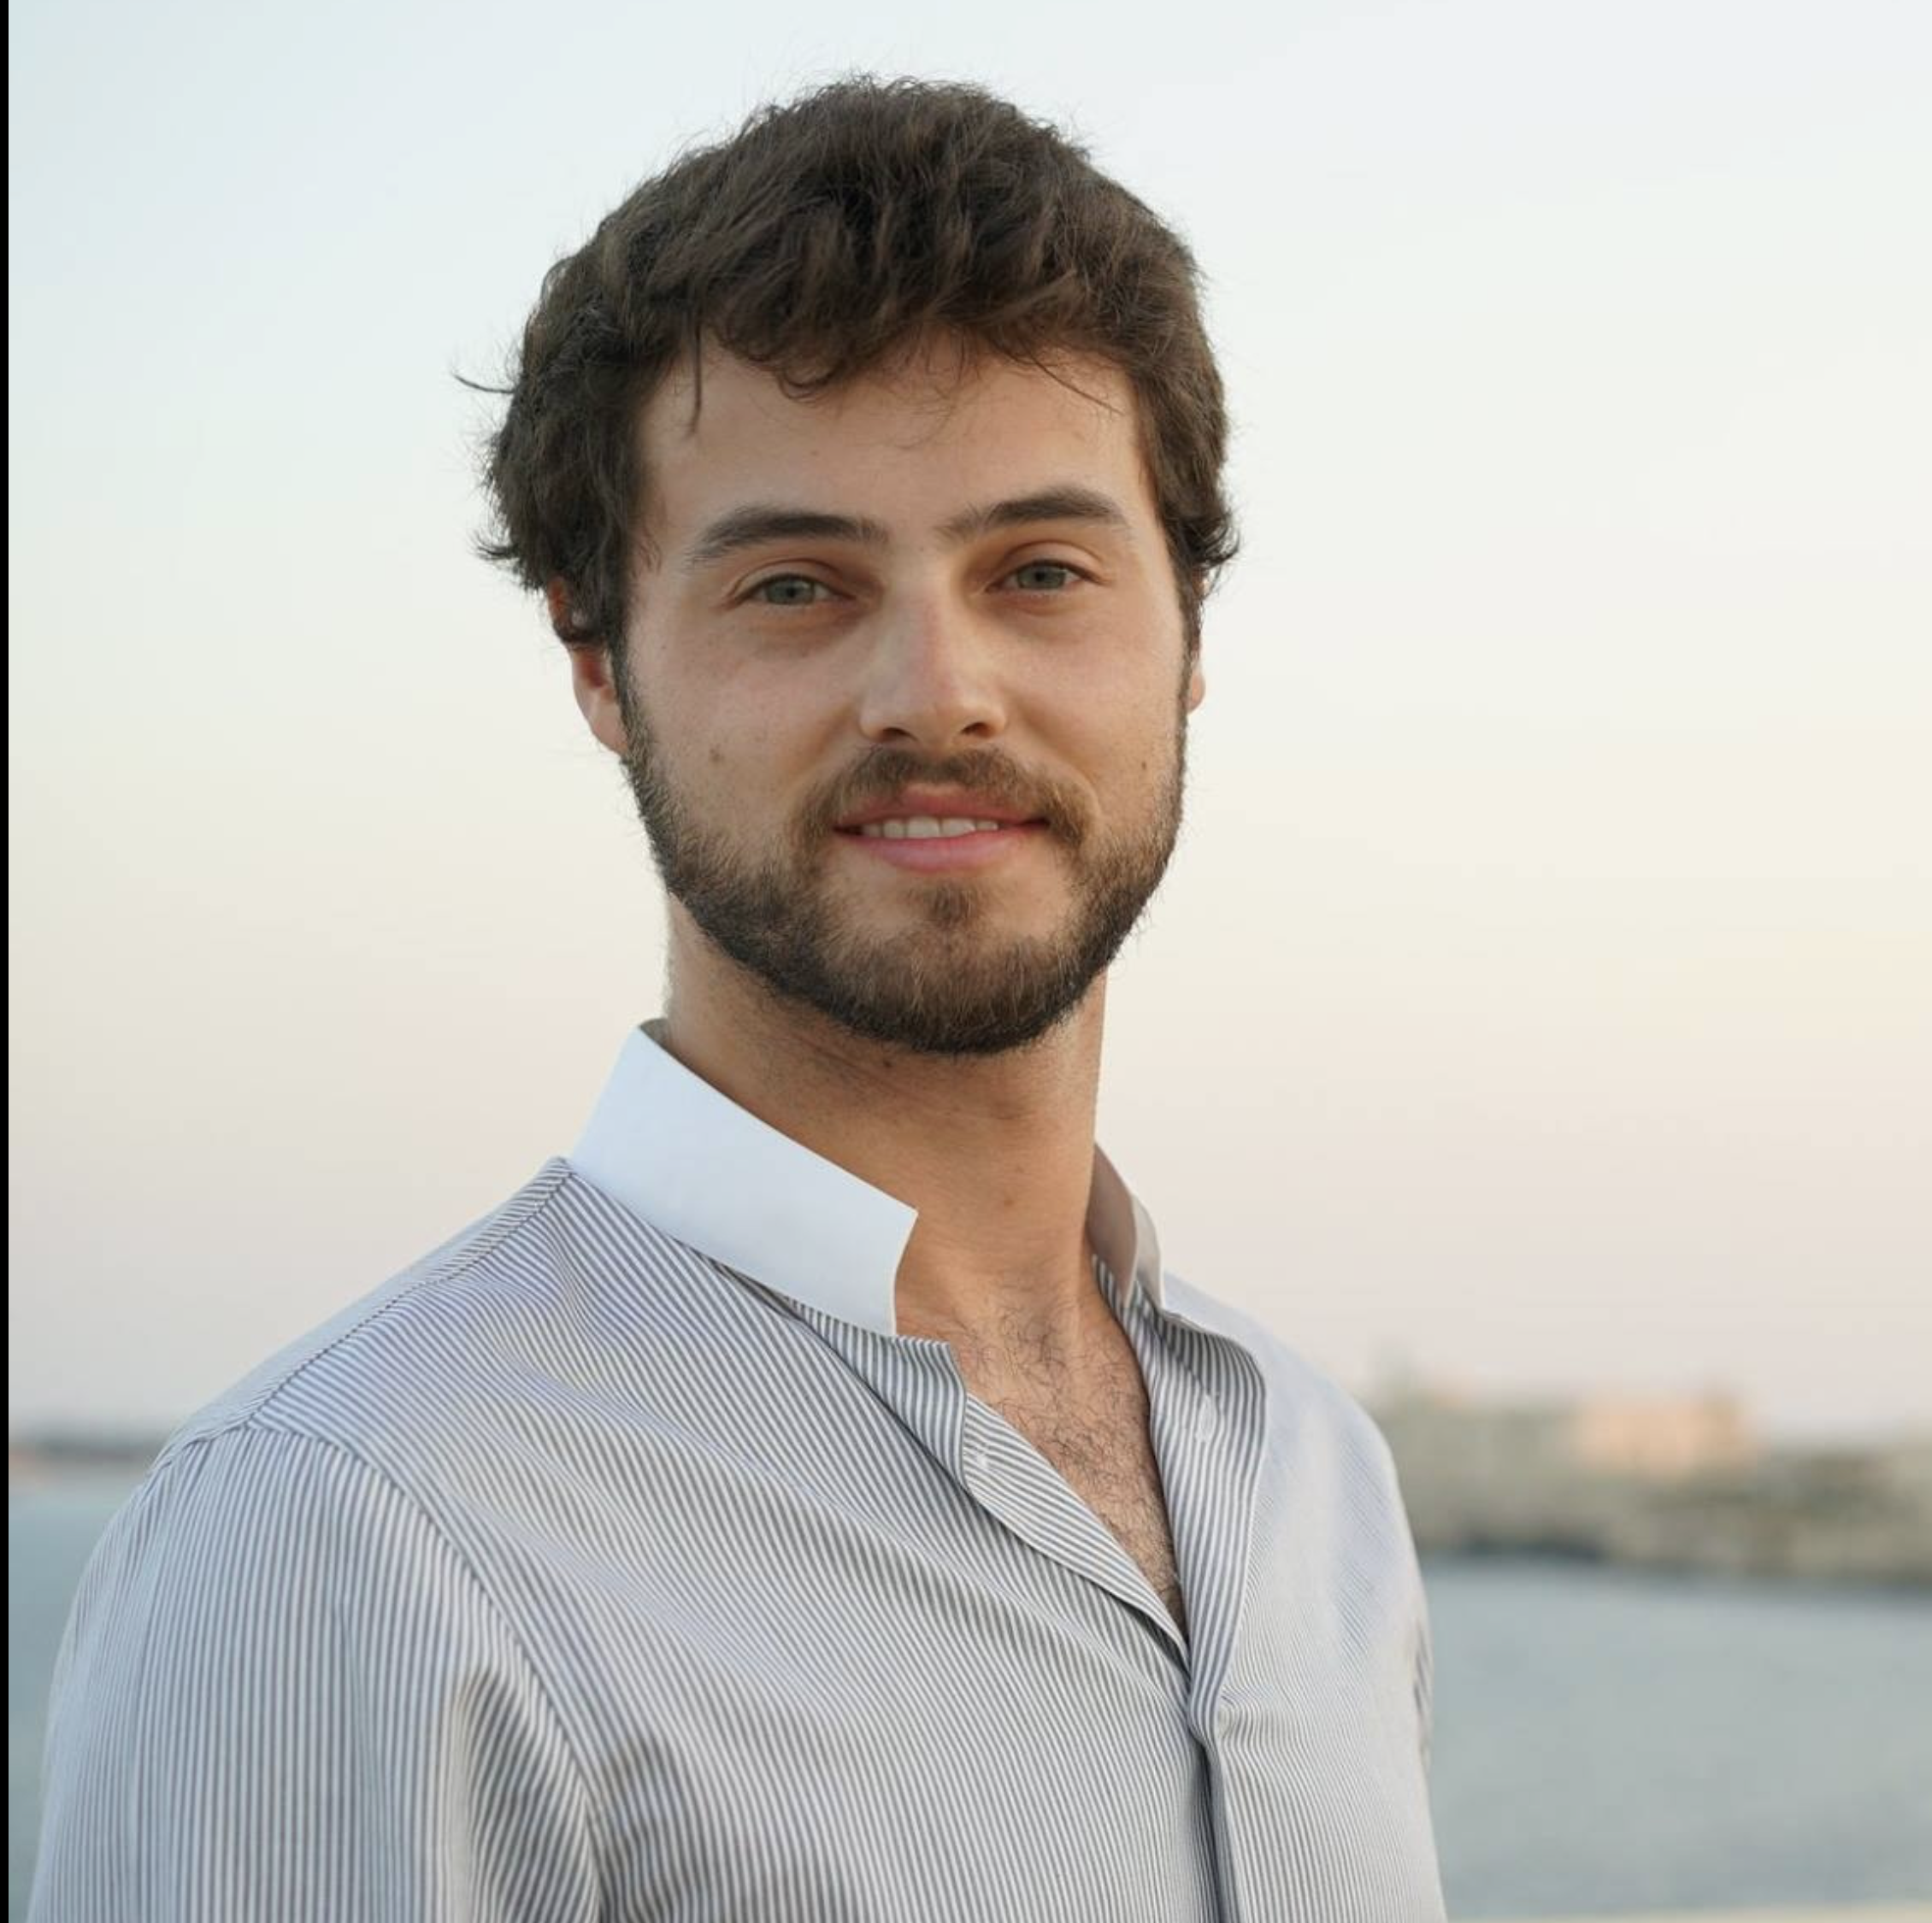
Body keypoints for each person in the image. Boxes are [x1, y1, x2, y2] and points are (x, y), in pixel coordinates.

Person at [31, 79, 1445, 1921]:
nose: (936, 695)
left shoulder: (1308, 1477)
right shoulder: (351, 1532)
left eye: (1038, 572)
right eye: (796, 585)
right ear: (597, 662)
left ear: (1185, 632)